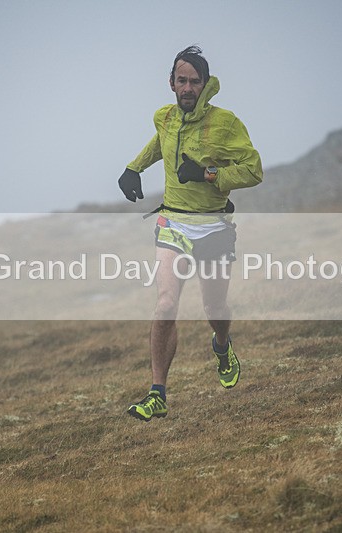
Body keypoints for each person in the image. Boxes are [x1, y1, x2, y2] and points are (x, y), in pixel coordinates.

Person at [118, 46, 263, 421]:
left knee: (215, 309)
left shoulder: (225, 123)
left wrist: (207, 174)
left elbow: (253, 170)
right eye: (181, 80)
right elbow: (162, 142)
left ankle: (222, 344)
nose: (187, 88)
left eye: (194, 82)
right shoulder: (164, 117)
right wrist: (134, 168)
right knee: (166, 304)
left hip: (213, 226)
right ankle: (157, 394)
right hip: (173, 224)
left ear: (205, 84)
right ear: (171, 82)